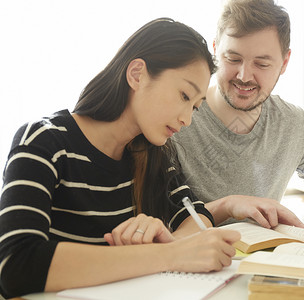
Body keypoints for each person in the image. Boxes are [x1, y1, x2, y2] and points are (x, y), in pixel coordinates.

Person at [0, 18, 241, 299]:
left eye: (196, 107)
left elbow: (195, 214)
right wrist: (168, 254)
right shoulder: (44, 141)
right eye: (184, 95)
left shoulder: (154, 154)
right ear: (137, 74)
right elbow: (15, 265)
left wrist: (170, 242)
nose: (187, 119)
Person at [173, 0, 304, 227]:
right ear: (214, 51)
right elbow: (158, 219)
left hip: (264, 259)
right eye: (233, 59)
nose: (244, 76)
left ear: (284, 62)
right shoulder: (175, 120)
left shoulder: (295, 125)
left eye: (261, 64)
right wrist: (228, 205)